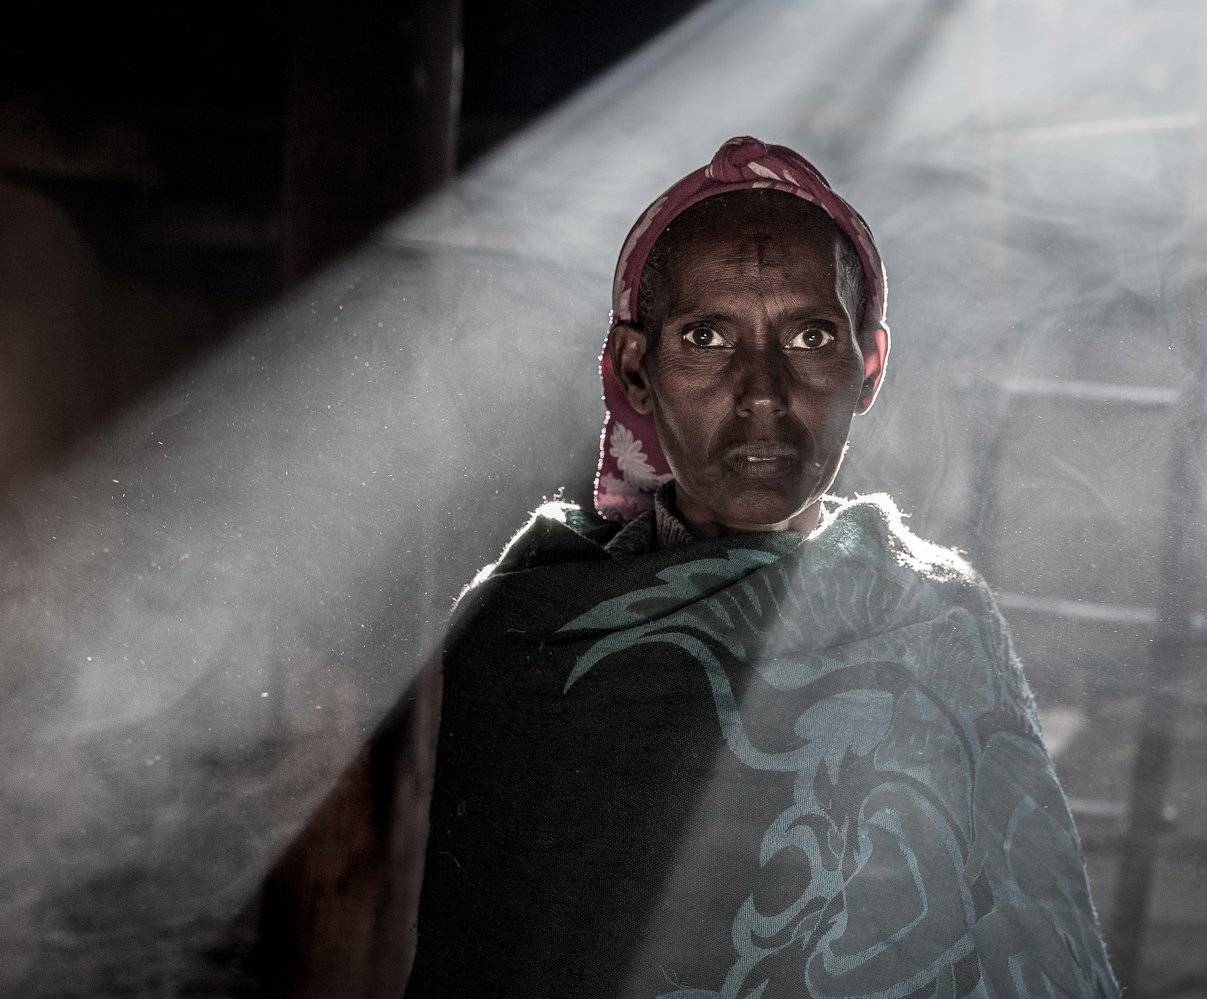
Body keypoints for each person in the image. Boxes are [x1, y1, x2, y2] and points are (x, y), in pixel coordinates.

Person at [405, 136, 1119, 998]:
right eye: (707, 336)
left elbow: (1027, 945)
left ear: (868, 366)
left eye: (811, 335)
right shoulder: (527, 634)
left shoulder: (935, 623)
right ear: (636, 368)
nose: (763, 391)